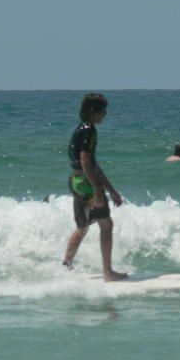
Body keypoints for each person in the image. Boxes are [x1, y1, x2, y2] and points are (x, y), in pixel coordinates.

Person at [62, 93, 128, 282]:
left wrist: (111, 190)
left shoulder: (80, 129)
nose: (105, 115)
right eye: (103, 111)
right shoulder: (89, 130)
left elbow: (94, 165)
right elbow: (85, 160)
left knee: (83, 226)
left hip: (76, 182)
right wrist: (98, 190)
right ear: (93, 111)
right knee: (106, 225)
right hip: (87, 185)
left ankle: (66, 266)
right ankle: (108, 273)